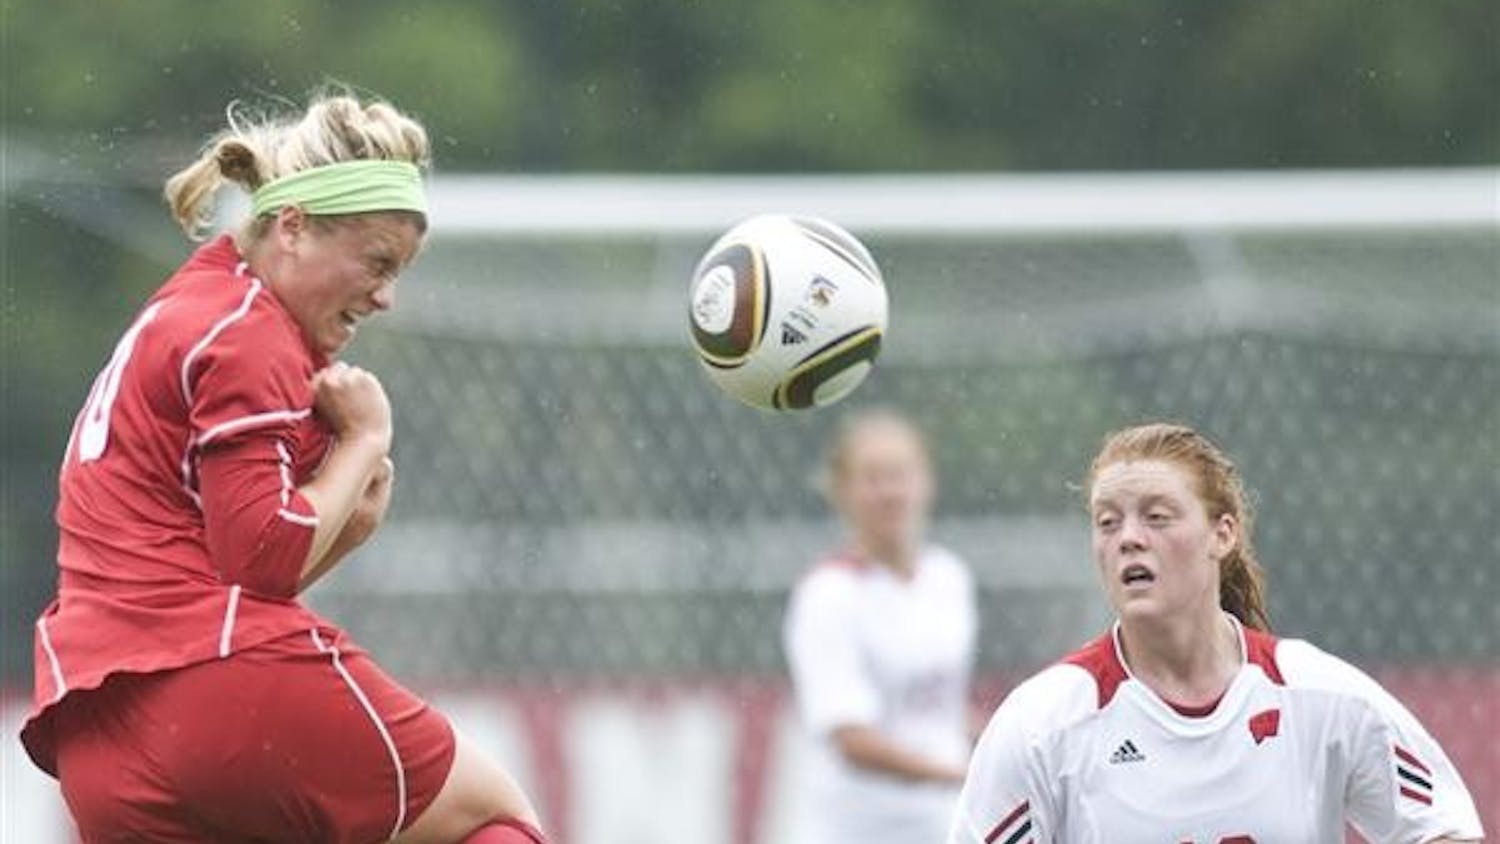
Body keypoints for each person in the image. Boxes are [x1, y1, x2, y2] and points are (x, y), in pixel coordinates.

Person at [19, 91, 548, 844]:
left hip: (97, 740)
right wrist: (364, 441)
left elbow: (205, 569)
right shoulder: (251, 332)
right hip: (217, 697)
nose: (388, 296)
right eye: (377, 261)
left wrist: (346, 528)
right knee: (491, 817)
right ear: (293, 228)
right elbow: (262, 557)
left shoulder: (192, 302)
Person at [948, 422, 1485, 844]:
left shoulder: (1317, 696)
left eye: (1156, 517)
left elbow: (1444, 827)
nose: (1128, 539)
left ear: (1222, 533)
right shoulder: (1043, 723)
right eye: (1107, 522)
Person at [782, 408, 979, 844]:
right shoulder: (828, 594)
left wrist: (1004, 745)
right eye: (872, 478)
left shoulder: (950, 577)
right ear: (842, 492)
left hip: (944, 824)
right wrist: (962, 775)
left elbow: (936, 706)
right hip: (856, 828)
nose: (889, 492)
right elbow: (852, 739)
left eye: (900, 474)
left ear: (927, 481)